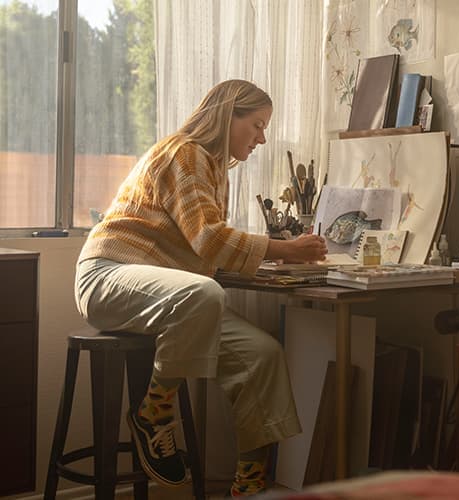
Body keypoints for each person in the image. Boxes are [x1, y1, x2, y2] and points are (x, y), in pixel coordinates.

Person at [74, 79, 327, 496]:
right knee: (204, 294)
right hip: (109, 276)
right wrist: (287, 249)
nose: (262, 138)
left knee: (262, 355)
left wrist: (270, 259)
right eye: (257, 125)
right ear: (229, 115)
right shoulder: (185, 153)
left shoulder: (213, 170)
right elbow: (209, 239)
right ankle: (152, 414)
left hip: (168, 297)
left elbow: (200, 252)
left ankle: (247, 486)